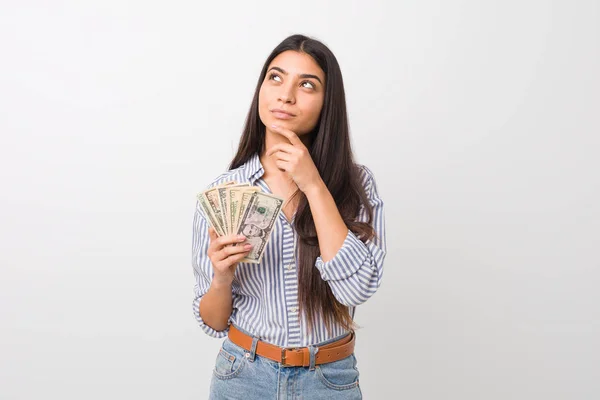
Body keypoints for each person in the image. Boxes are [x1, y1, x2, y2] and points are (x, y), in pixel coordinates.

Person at [191, 34, 387, 399]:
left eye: (307, 85)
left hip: (329, 380)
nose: (286, 95)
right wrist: (220, 278)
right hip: (242, 376)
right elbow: (214, 322)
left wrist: (313, 184)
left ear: (328, 102)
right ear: (261, 88)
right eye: (276, 78)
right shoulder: (227, 192)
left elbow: (356, 288)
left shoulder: (356, 185)